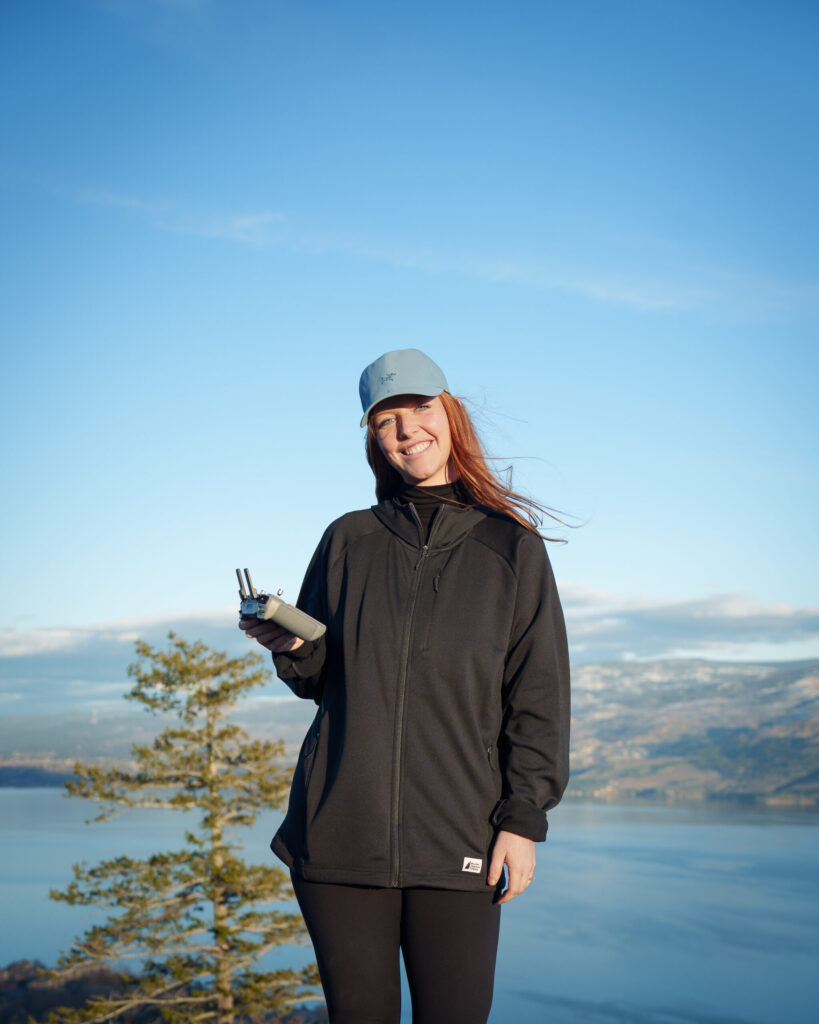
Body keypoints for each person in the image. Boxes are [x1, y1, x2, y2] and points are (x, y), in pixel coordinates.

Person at [240, 348, 570, 1024]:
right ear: (373, 437)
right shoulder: (346, 539)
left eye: (419, 407)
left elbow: (537, 696)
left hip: (461, 837)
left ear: (450, 414)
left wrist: (522, 821)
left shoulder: (510, 548)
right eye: (385, 419)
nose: (405, 429)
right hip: (339, 837)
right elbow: (324, 679)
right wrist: (295, 647)